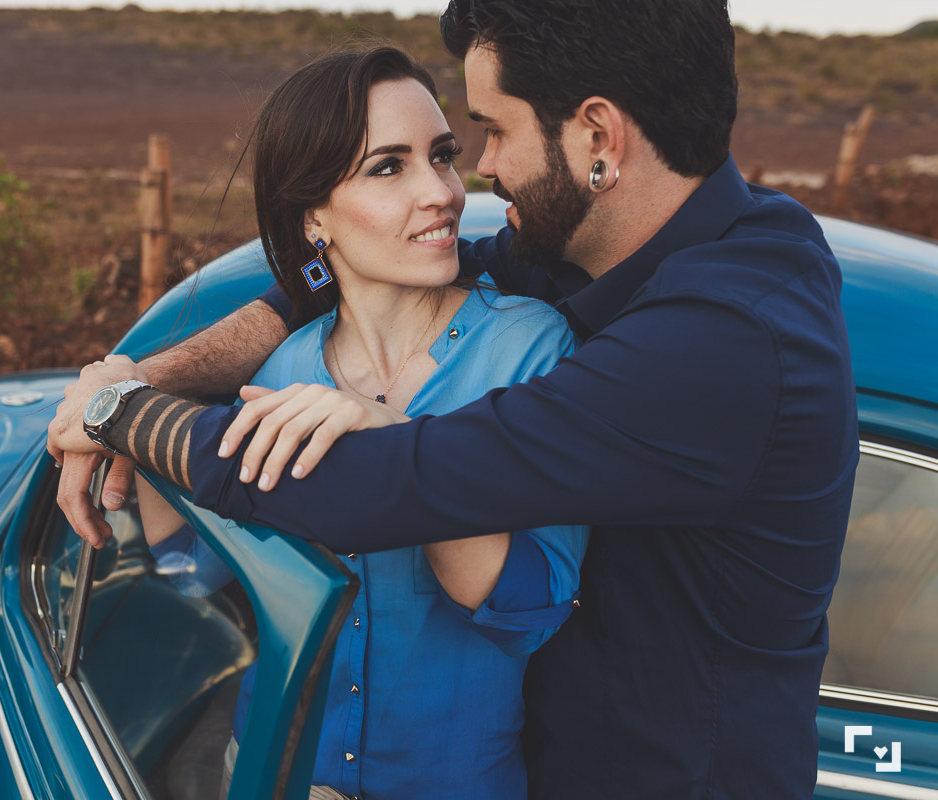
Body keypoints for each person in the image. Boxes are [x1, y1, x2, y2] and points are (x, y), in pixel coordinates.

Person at [49, 1, 857, 797]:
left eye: (492, 130)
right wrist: (150, 374)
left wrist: (118, 415)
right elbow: (352, 278)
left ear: (599, 141)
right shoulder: (620, 249)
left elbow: (378, 485)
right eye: (399, 163)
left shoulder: (724, 339)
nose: (478, 171)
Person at [130, 47, 586, 800]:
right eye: (388, 167)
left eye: (441, 156)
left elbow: (528, 611)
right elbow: (199, 571)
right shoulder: (279, 373)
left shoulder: (531, 347)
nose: (441, 191)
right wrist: (140, 422)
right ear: (314, 216)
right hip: (273, 769)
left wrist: (397, 445)